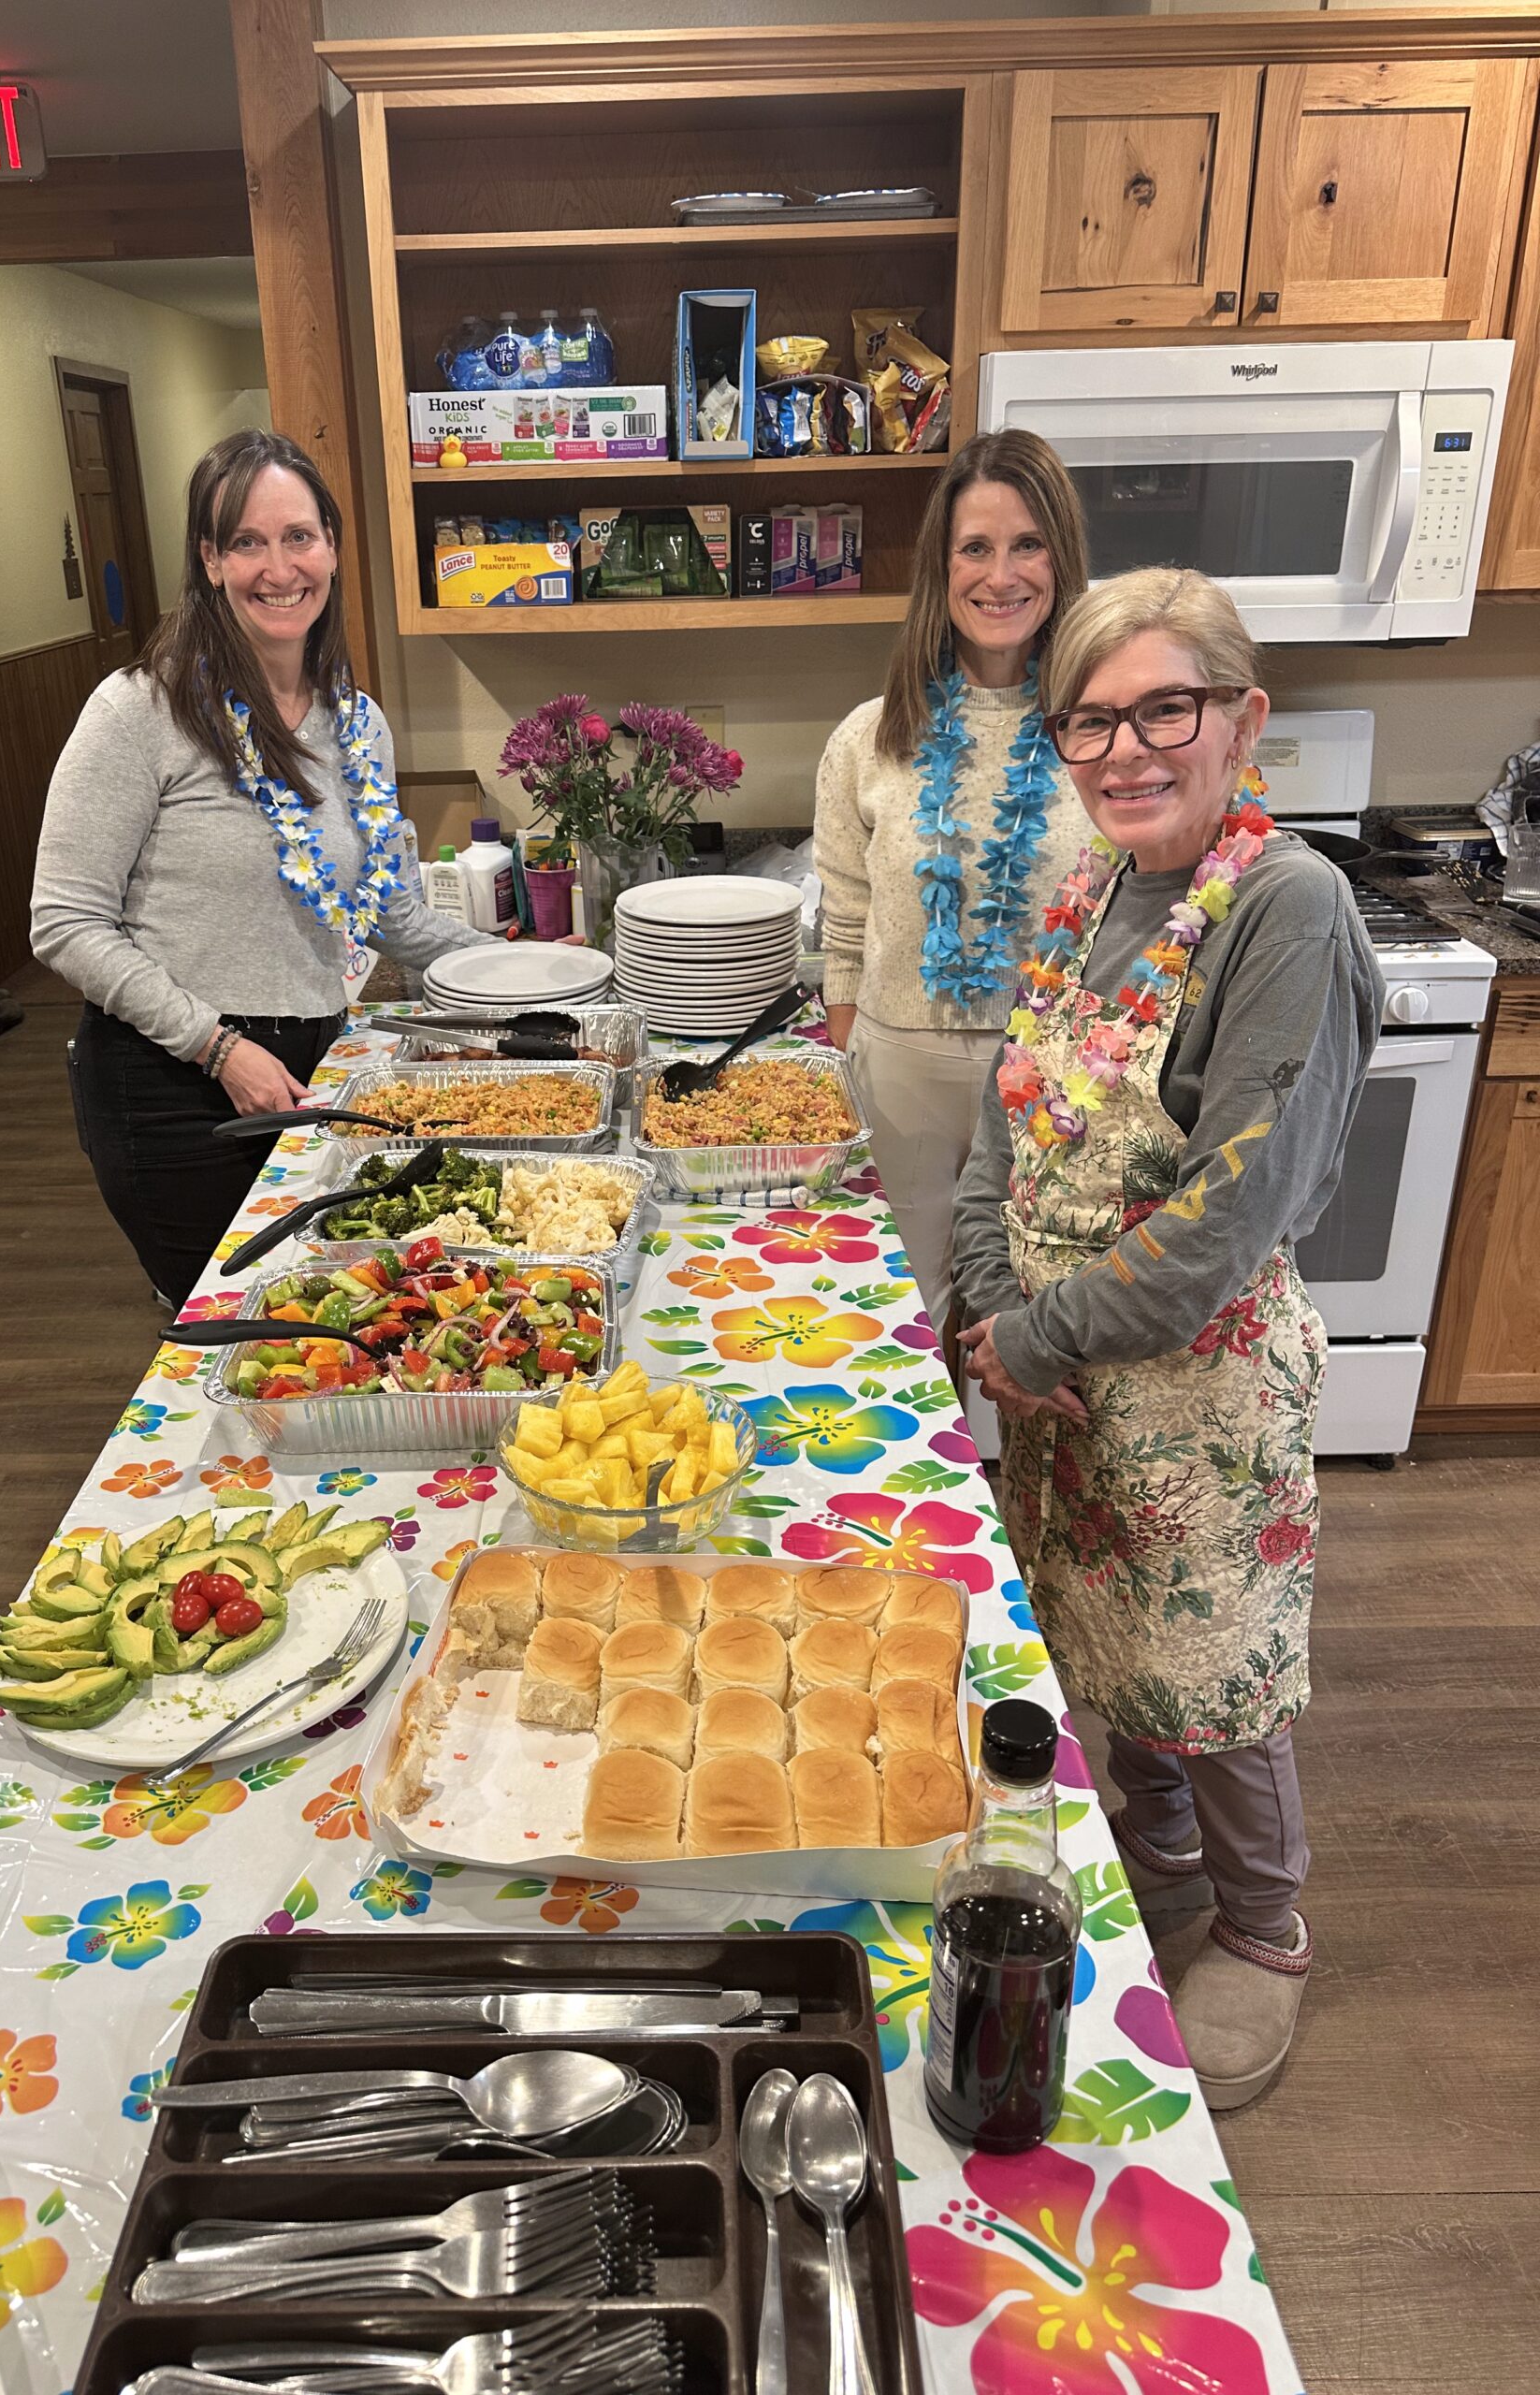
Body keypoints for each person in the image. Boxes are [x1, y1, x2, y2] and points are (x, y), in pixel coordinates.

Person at [952, 566, 1383, 2111]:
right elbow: (1000, 1134)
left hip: (1194, 1386)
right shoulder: (1087, 896)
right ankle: (1160, 1864)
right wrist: (980, 1306)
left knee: (1218, 1671)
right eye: (1092, 720)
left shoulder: (1289, 906)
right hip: (1066, 1378)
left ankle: (1263, 1930)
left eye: (1166, 709)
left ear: (1242, 719)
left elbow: (1230, 1210)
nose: (1127, 748)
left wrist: (1041, 1331)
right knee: (1102, 1641)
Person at [33, 428, 492, 1310]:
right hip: (172, 1082)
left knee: (327, 1313)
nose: (279, 568)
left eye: (299, 537)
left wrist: (531, 972)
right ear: (210, 560)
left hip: (315, 1063)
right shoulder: (141, 709)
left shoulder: (355, 722)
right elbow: (64, 921)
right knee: (240, 1320)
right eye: (247, 542)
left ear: (331, 549)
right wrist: (218, 1046)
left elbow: (391, 916)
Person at [813, 429, 1092, 1324]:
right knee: (911, 1320)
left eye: (1027, 545)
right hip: (901, 1072)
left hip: (1061, 1076)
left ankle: (1017, 1473)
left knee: (1034, 1318)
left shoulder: (1103, 730)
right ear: (942, 567)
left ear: (1061, 559)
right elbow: (846, 928)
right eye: (976, 547)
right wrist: (861, 1059)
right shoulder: (869, 736)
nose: (1001, 575)